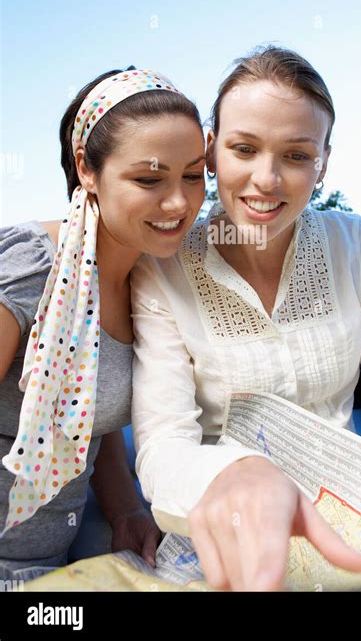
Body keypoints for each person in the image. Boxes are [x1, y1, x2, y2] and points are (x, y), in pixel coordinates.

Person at [131, 46, 361, 592]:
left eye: (295, 155)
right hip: (229, 525)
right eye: (244, 148)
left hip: (355, 514)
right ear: (211, 149)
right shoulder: (163, 267)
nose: (266, 179)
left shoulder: (356, 245)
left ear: (323, 162)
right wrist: (230, 476)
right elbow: (163, 445)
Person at [0, 66, 206, 575]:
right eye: (149, 179)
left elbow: (85, 416)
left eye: (194, 175)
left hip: (52, 567)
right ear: (86, 170)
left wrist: (125, 510)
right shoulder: (32, 269)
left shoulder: (150, 283)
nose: (179, 201)